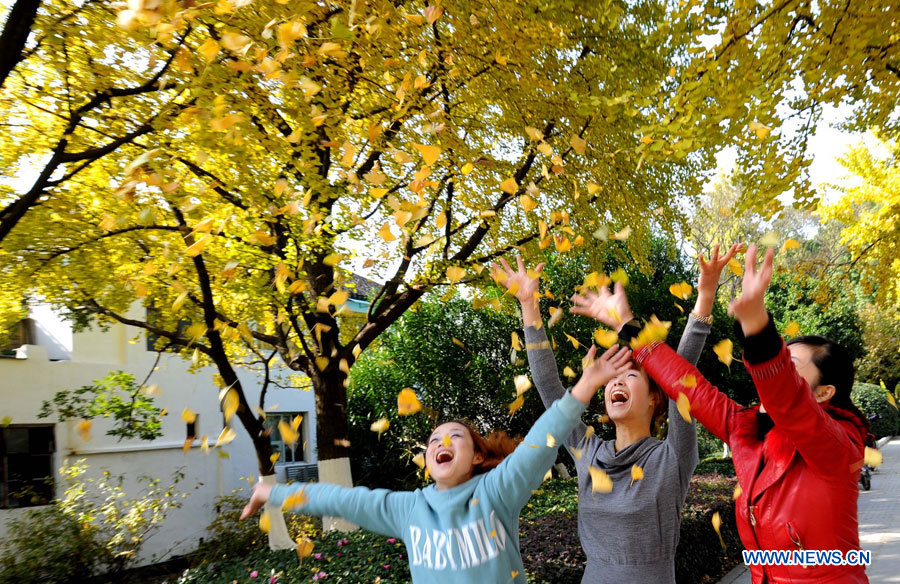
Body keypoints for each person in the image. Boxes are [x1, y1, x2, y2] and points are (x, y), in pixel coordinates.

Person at [240, 343, 633, 583]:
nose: (442, 442)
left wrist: (585, 386)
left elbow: (540, 442)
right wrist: (273, 491)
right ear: (428, 461)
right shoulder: (409, 509)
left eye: (455, 437)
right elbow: (339, 500)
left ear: (477, 455)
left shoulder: (496, 492)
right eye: (433, 441)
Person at [493, 243, 740, 584]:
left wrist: (707, 294)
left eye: (630, 376)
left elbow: (682, 373)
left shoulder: (672, 456)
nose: (615, 383)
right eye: (612, 377)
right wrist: (528, 306)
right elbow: (550, 389)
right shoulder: (588, 450)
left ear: (657, 398)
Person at [625, 245, 870, 584]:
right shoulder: (747, 429)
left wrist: (757, 326)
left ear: (824, 392)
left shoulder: (838, 447)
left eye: (791, 365)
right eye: (781, 361)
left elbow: (791, 402)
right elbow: (689, 387)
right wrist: (627, 326)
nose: (781, 371)